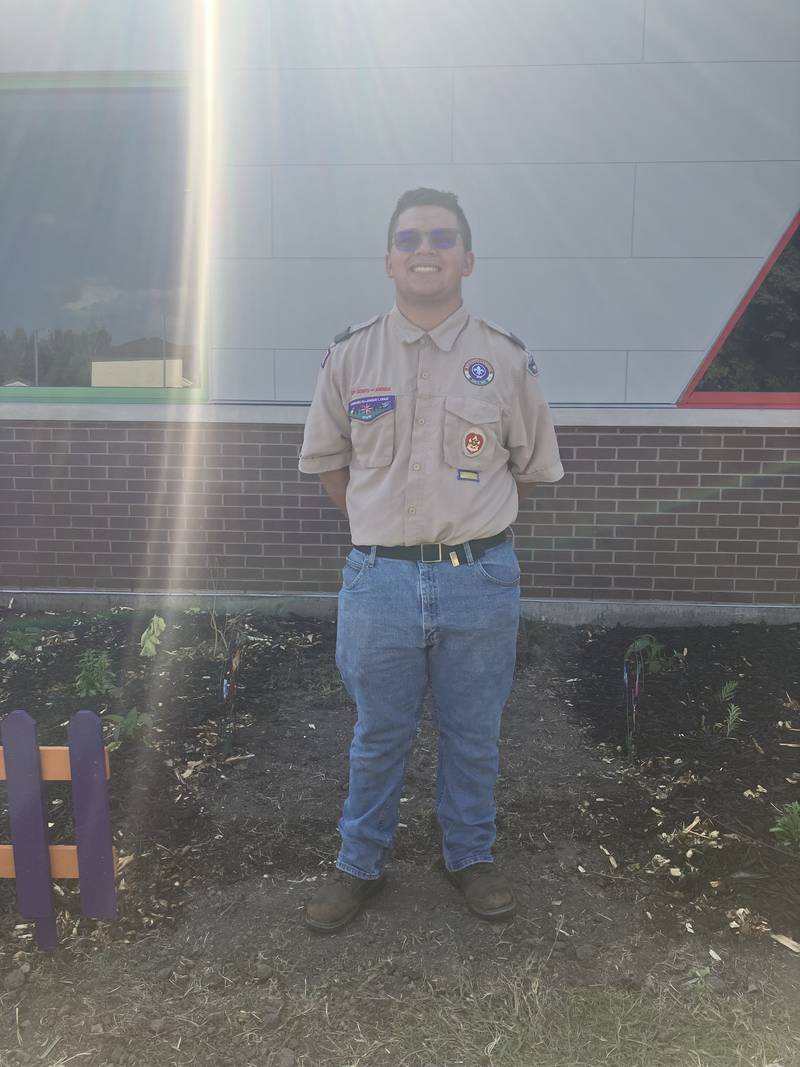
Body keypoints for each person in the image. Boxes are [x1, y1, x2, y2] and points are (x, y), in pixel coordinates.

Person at [298, 188, 564, 932]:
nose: (426, 248)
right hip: (378, 578)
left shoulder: (506, 360)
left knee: (474, 731)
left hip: (479, 579)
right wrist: (382, 530)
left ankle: (470, 857)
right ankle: (360, 866)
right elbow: (329, 464)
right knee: (377, 733)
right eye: (410, 237)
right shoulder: (351, 355)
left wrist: (462, 532)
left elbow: (531, 466)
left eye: (443, 237)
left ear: (467, 259)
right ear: (388, 259)